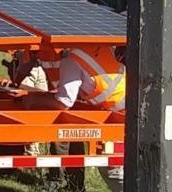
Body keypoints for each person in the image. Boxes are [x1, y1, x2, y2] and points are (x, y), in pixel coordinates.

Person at [20, 46, 126, 192]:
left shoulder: (71, 62)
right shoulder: (96, 47)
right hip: (131, 103)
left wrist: (33, 100)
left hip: (120, 113)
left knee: (112, 167)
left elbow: (64, 102)